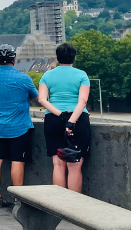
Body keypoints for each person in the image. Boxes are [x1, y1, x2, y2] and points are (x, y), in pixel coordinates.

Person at [0, 44, 38, 208]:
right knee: (17, 161)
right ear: (14, 59)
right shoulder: (23, 78)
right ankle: (17, 198)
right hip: (19, 127)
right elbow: (35, 96)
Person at [38, 42, 91, 193]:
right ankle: (73, 208)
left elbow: (42, 99)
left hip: (54, 120)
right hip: (78, 119)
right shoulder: (81, 75)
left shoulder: (47, 75)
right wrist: (71, 121)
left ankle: (59, 206)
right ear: (74, 57)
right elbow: (83, 100)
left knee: (58, 165)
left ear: (58, 57)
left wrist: (60, 114)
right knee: (74, 166)